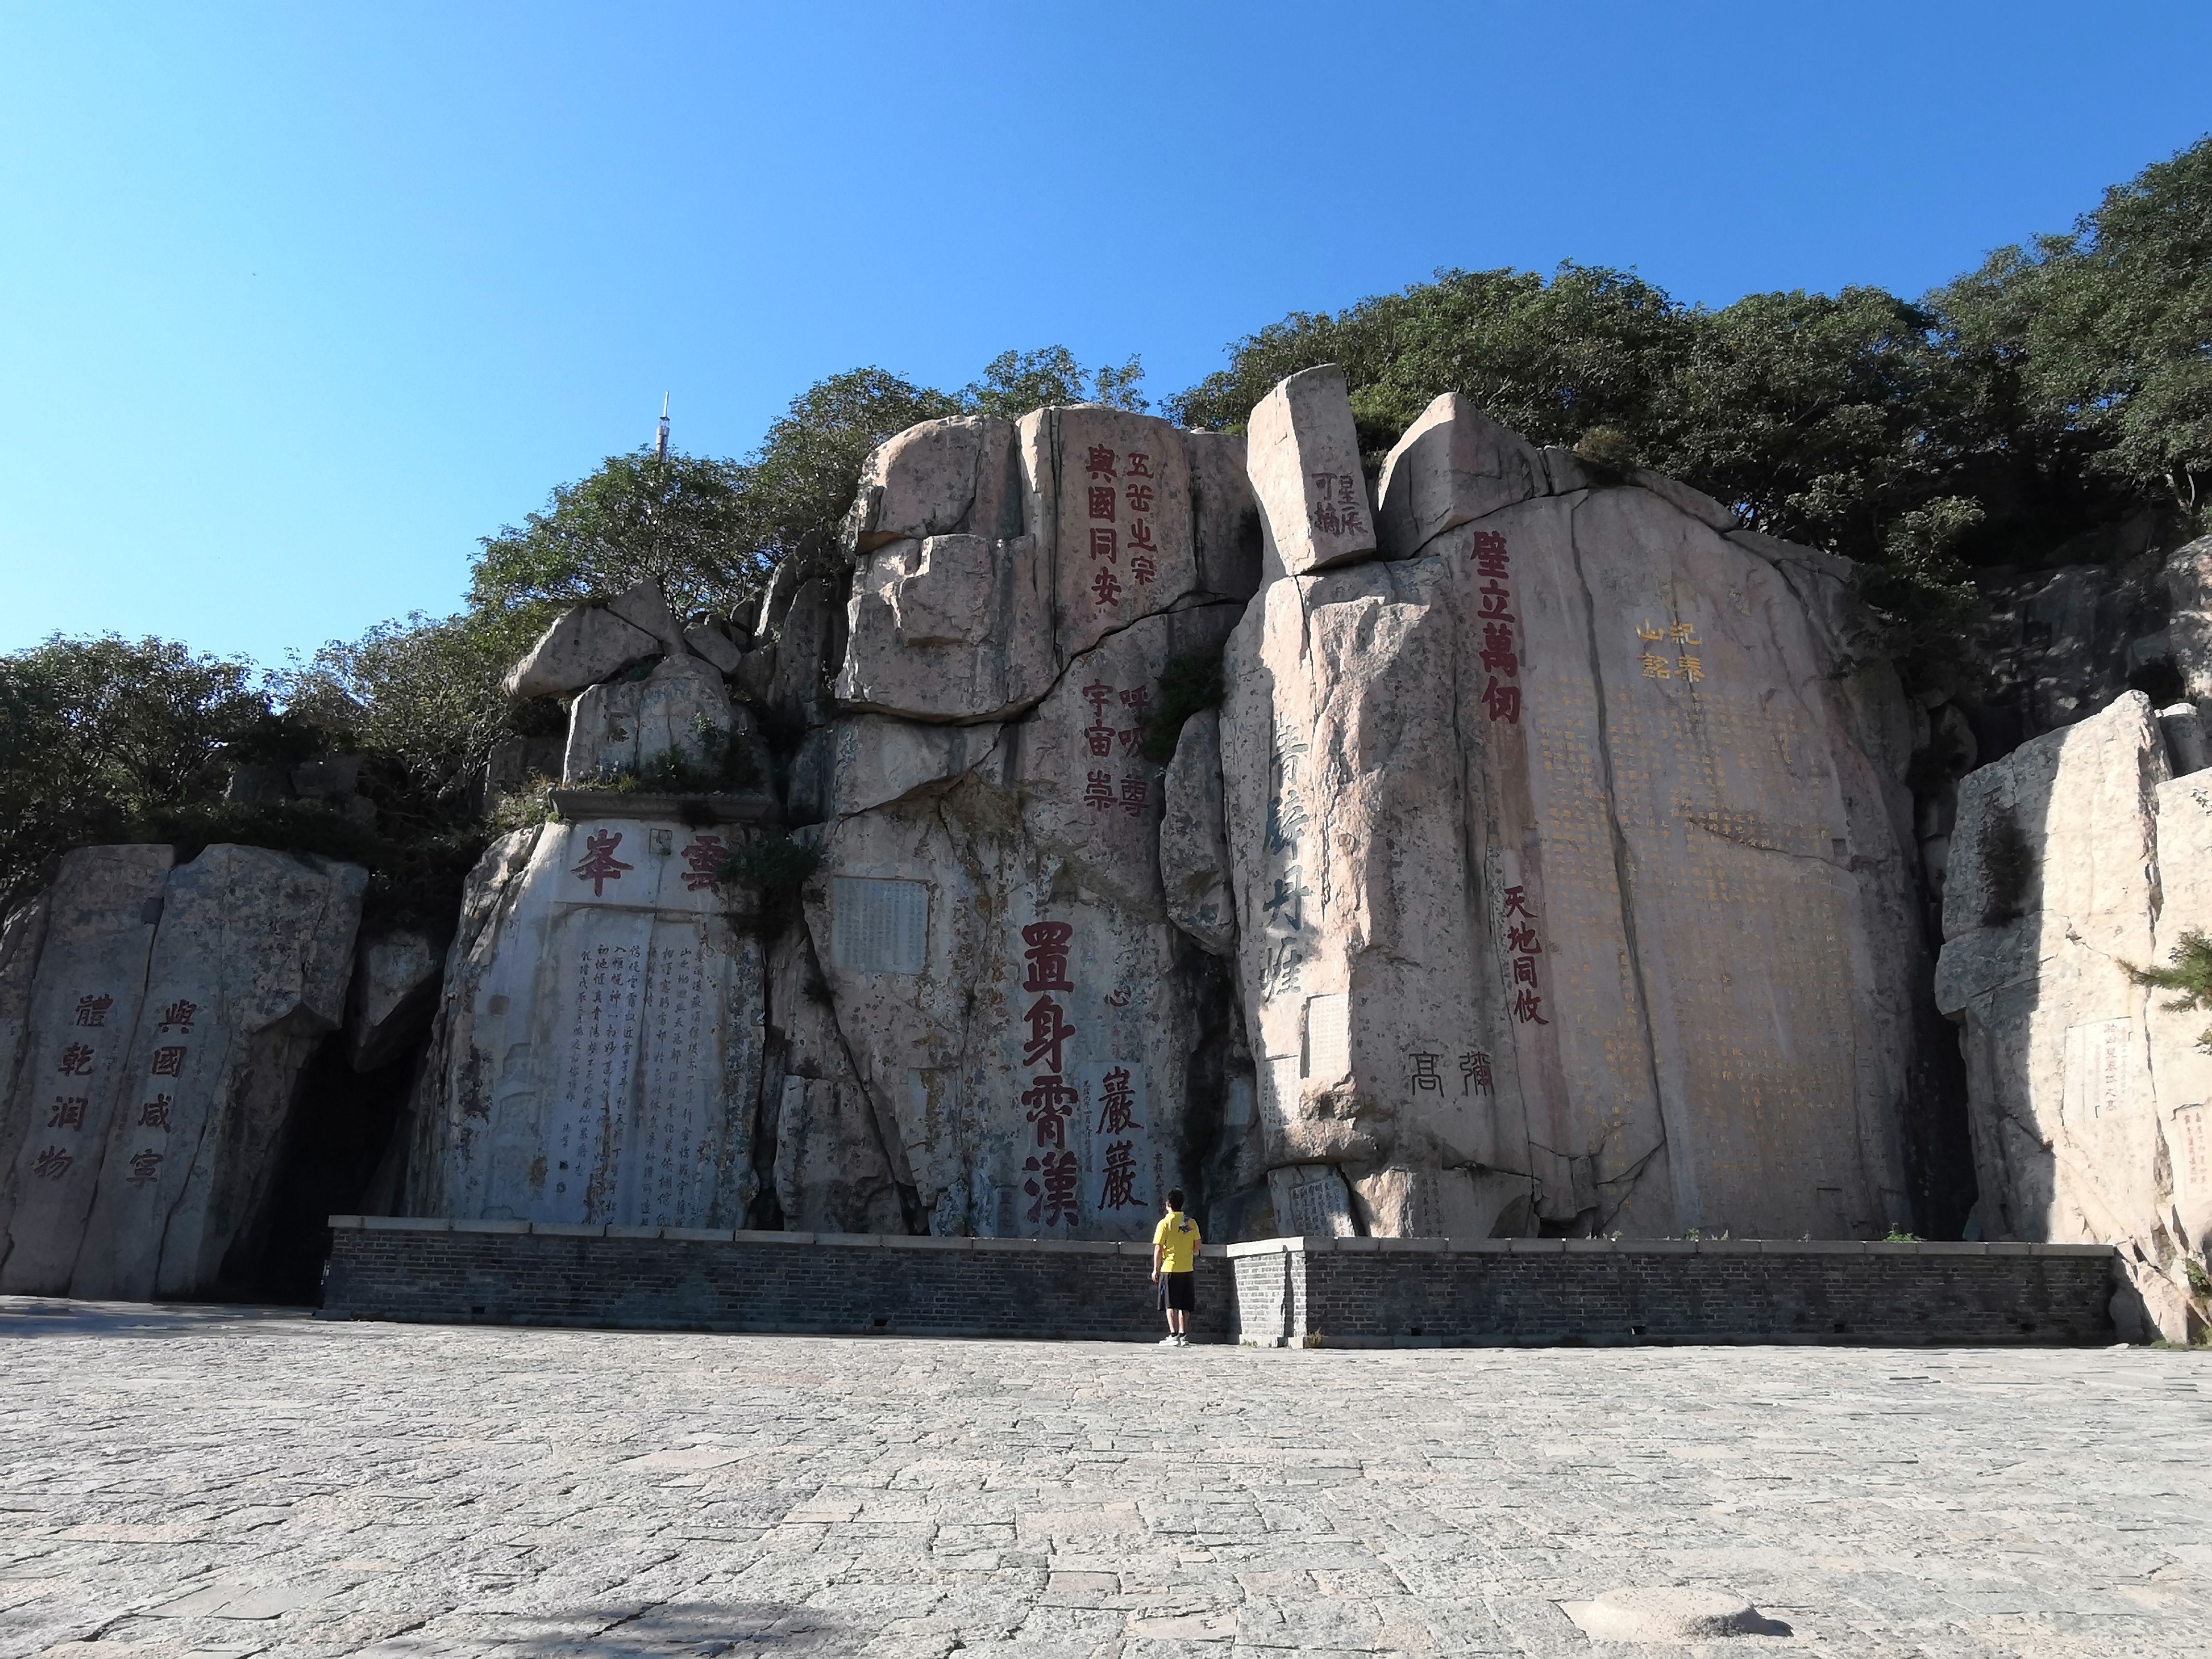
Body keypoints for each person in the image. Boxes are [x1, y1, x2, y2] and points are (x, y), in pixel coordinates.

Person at [1151, 1188, 1201, 1346]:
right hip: (1187, 1268)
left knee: (1170, 1304)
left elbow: (1158, 1248)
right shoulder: (1190, 1222)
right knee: (1185, 1305)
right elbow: (1198, 1246)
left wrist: (1156, 1269)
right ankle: (1183, 1335)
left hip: (1170, 1268)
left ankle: (1173, 1335)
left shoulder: (1165, 1223)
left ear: (1168, 1205)